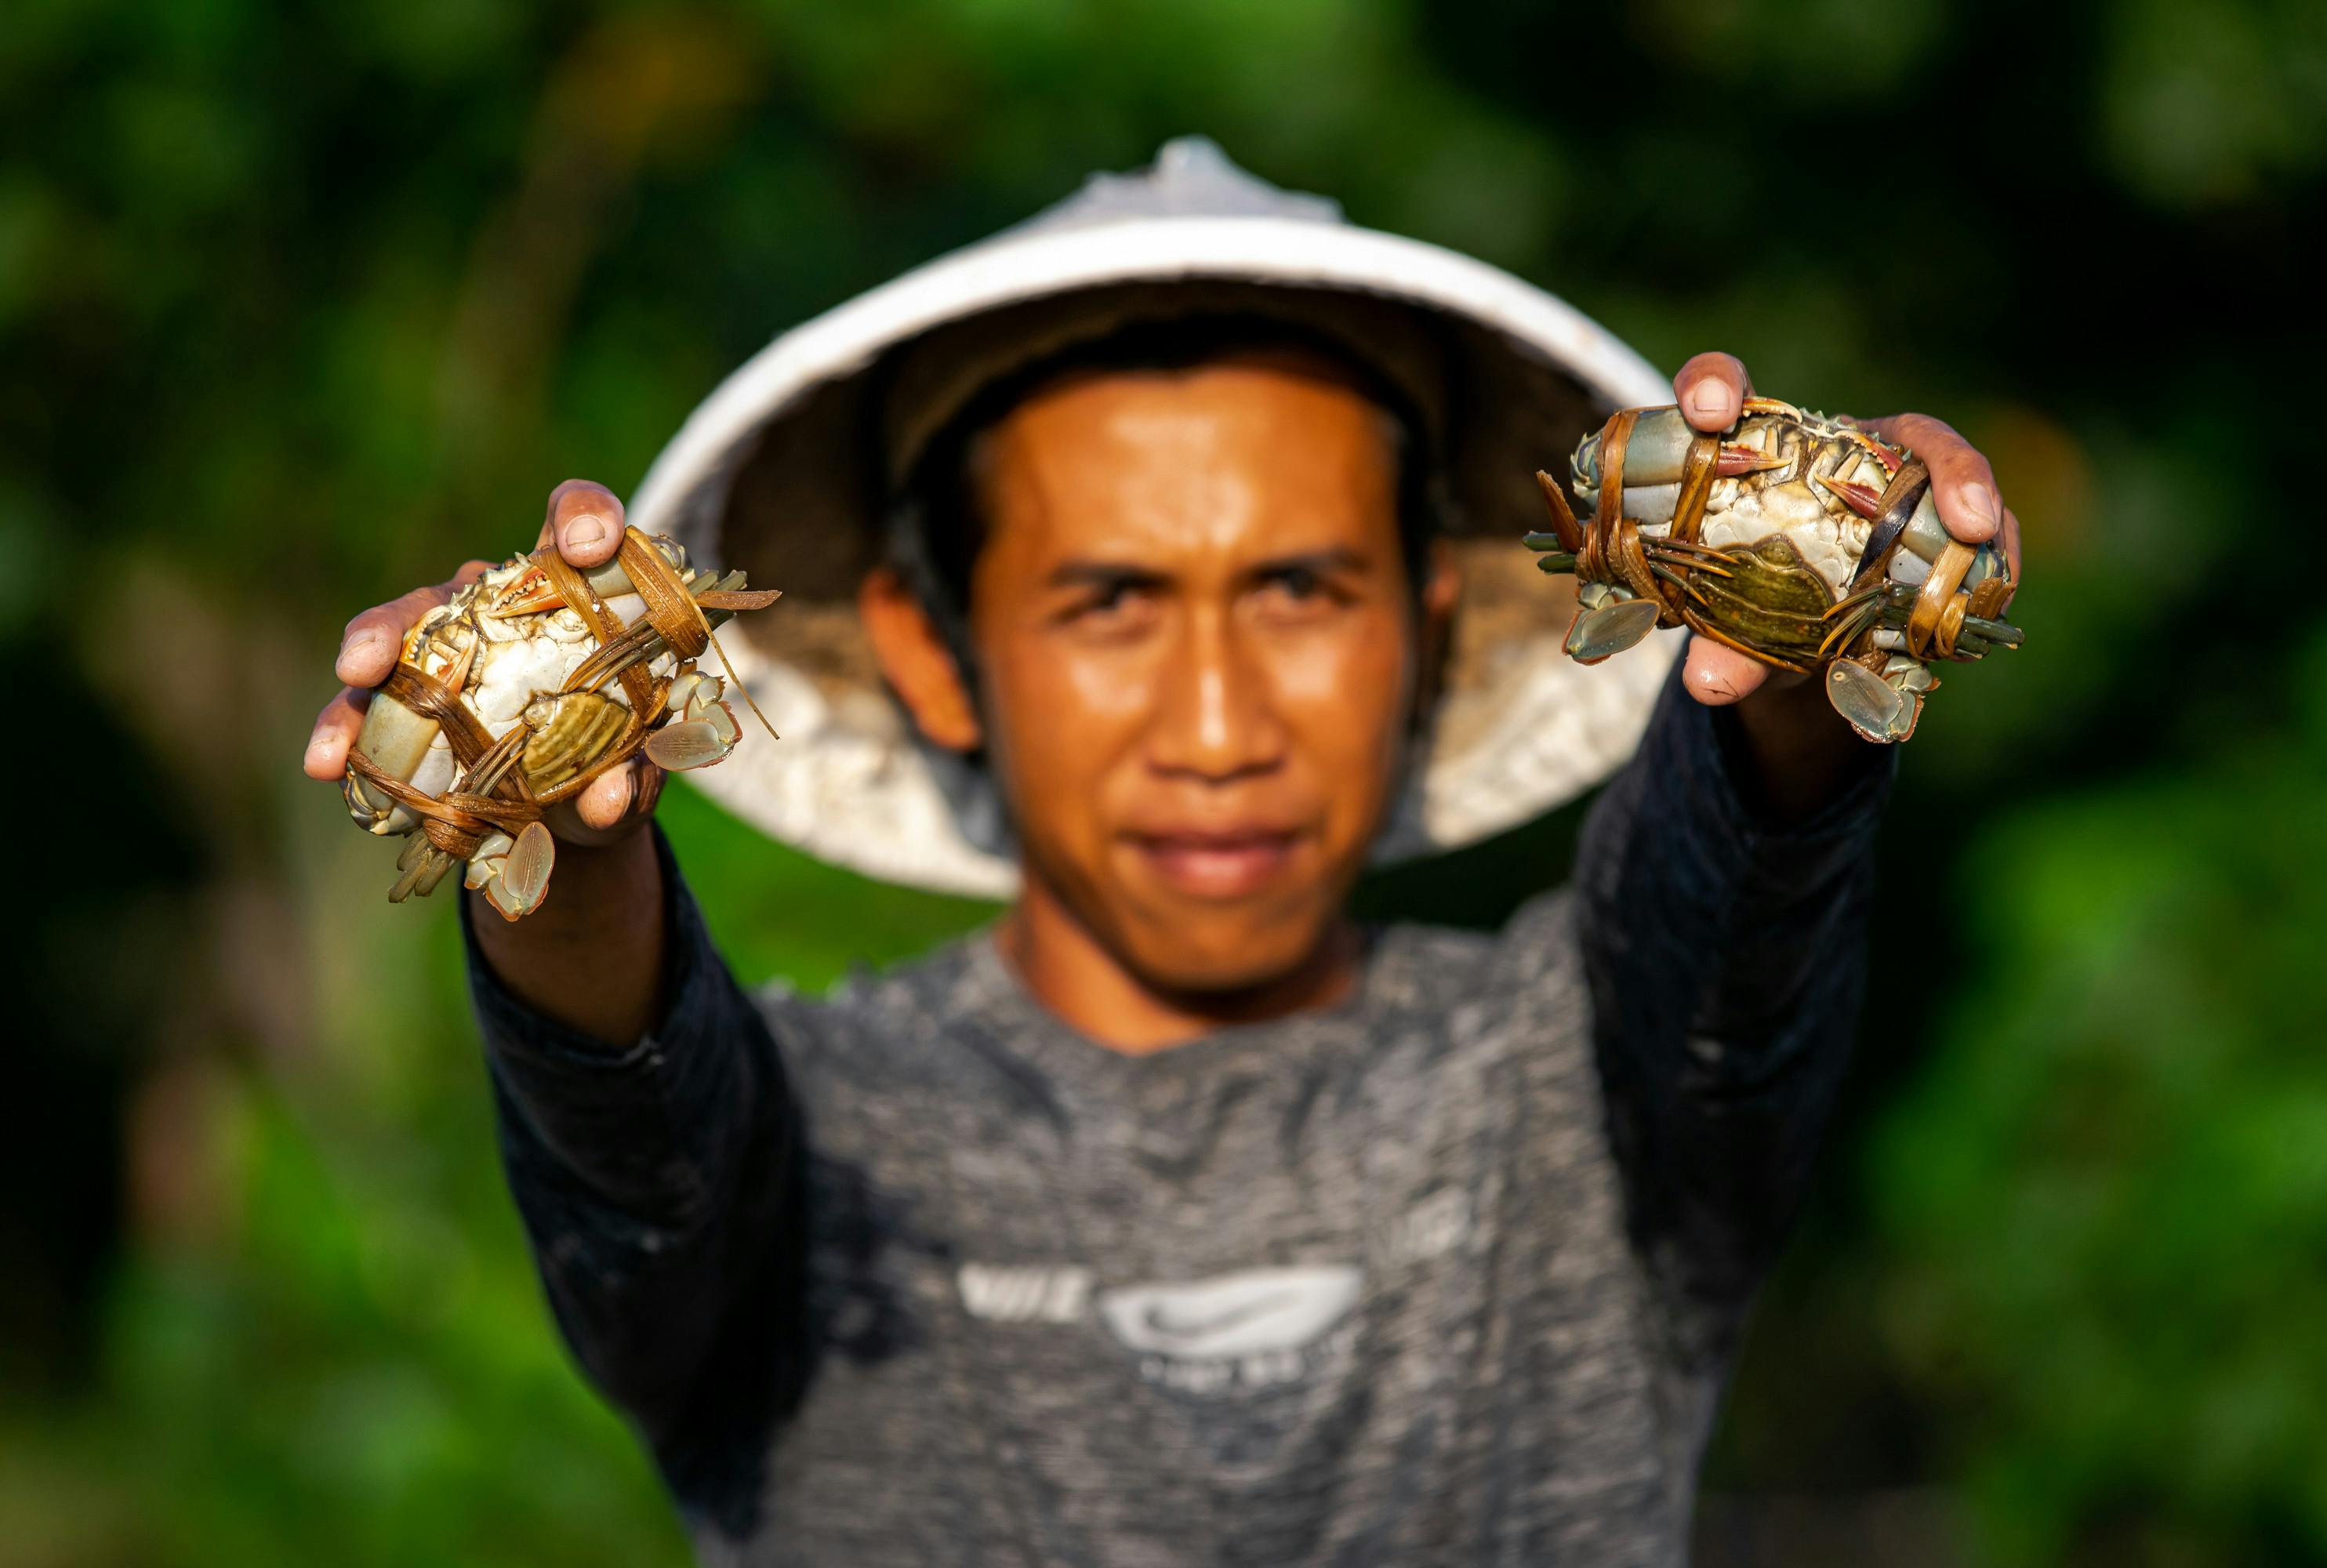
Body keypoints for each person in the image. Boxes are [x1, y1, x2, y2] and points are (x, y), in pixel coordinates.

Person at [301, 142, 2020, 1565]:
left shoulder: (1575, 1095)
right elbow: (636, 1128)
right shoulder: (823, 1152)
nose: (1219, 723)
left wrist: (1823, 634)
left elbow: (1738, 907)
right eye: (1110, 602)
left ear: (1426, 622)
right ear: (925, 642)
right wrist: (552, 819)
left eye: (1301, 590)